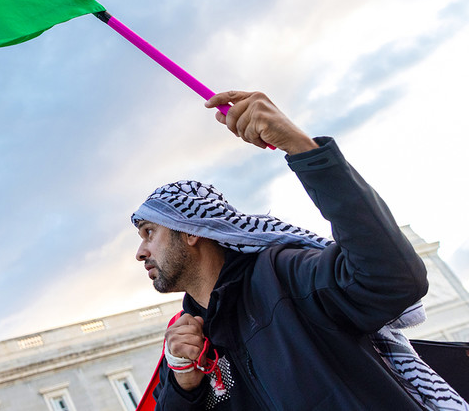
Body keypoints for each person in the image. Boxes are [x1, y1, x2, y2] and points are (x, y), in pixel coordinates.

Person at [132, 90, 466, 410]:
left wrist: (301, 147)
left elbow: (391, 280)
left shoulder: (285, 277)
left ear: (191, 232)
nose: (140, 252)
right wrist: (183, 387)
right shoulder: (185, 345)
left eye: (149, 232)